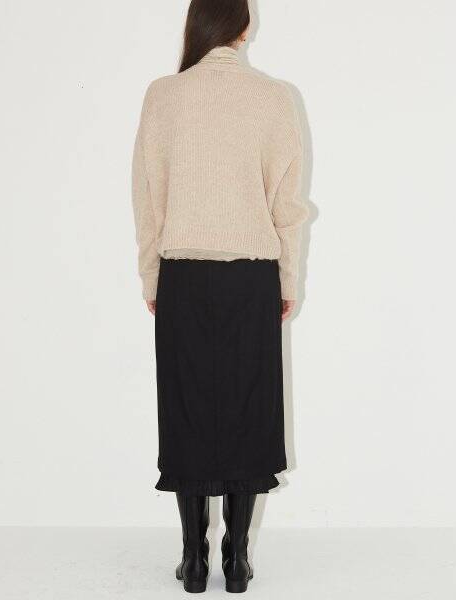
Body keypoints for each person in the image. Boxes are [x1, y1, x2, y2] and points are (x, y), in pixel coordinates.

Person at [132, 0, 308, 592]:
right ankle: (236, 558)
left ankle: (193, 558)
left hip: (182, 276)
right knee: (248, 412)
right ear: (244, 27)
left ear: (196, 24)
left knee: (187, 410)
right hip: (251, 278)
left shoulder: (164, 95)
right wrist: (287, 281)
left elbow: (147, 198)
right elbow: (288, 206)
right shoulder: (274, 97)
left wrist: (151, 276)